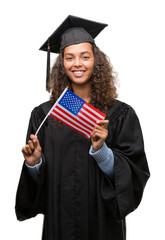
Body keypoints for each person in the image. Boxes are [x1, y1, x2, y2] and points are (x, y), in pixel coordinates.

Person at [15, 15, 150, 240]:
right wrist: (35, 164)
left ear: (96, 62)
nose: (77, 63)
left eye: (85, 57)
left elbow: (135, 173)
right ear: (62, 64)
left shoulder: (119, 114)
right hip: (59, 223)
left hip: (102, 225)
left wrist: (102, 152)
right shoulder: (45, 115)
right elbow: (38, 188)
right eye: (69, 57)